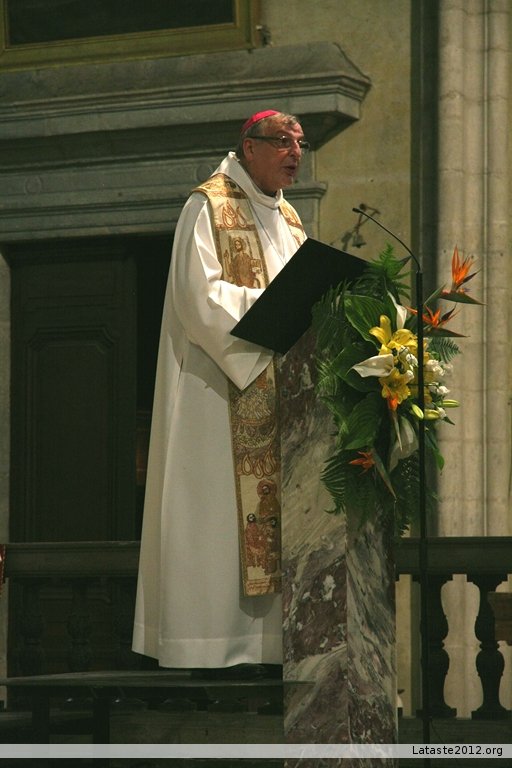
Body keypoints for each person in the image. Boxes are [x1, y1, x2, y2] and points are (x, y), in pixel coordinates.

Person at [132, 110, 308, 671]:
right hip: (219, 391)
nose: (295, 153)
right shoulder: (207, 206)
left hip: (280, 396)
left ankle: (270, 647)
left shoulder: (290, 219)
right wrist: (281, 311)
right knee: (216, 520)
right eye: (283, 142)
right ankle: (207, 647)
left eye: (300, 143)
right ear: (249, 147)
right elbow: (199, 298)